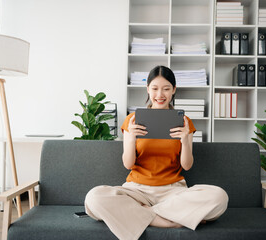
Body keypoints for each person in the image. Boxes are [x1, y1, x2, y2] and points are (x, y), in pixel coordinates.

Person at [85, 65, 228, 240]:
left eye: (166, 89)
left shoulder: (184, 122)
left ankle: (144, 215)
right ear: (147, 89)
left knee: (219, 197)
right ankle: (171, 220)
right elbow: (128, 164)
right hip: (137, 192)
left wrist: (185, 140)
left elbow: (187, 165)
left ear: (174, 90)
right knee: (93, 199)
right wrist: (130, 138)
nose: (160, 95)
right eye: (154, 88)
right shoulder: (132, 120)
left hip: (173, 192)